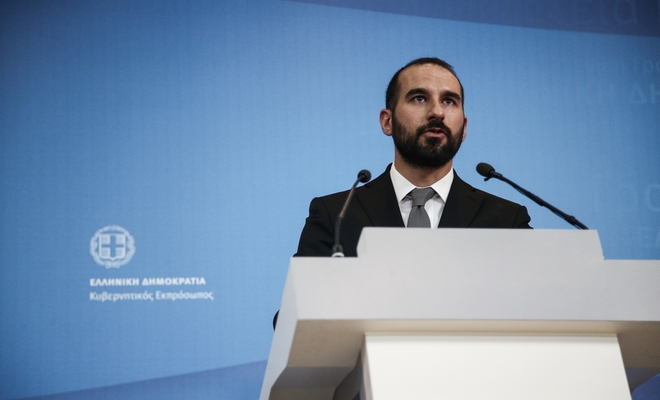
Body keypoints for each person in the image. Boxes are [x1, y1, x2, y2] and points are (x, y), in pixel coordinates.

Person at [295, 57, 531, 258]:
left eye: (449, 101)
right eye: (419, 98)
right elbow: (303, 299)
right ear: (388, 121)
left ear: (464, 127)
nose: (437, 112)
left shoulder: (507, 221)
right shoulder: (336, 216)